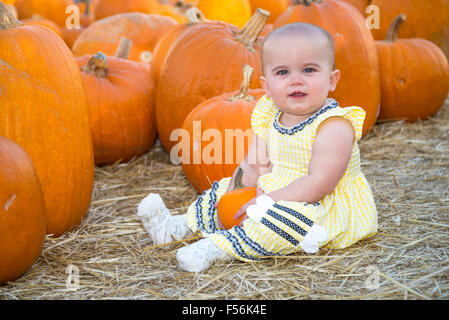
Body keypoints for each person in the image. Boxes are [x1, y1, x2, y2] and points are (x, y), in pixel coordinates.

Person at [137, 22, 378, 272]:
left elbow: (320, 183)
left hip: (320, 206)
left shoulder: (334, 126)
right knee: (221, 190)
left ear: (332, 80)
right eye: (283, 73)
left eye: (309, 70)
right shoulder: (268, 115)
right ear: (266, 85)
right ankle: (176, 228)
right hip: (274, 191)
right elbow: (254, 165)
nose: (296, 80)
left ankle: (217, 248)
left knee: (281, 224)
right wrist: (235, 192)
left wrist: (269, 201)